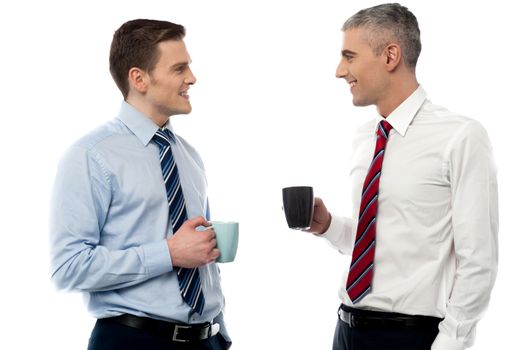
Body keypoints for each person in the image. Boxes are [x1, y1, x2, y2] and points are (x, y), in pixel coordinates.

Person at [306, 3, 498, 350]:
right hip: (346, 329)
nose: (339, 71)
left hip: (410, 336)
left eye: (349, 56)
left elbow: (479, 260)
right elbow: (381, 242)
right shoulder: (365, 138)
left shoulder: (460, 136)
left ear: (390, 55)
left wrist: (450, 343)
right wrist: (329, 225)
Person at [49, 19, 231, 350]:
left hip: (207, 339)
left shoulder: (188, 156)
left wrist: (221, 333)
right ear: (139, 78)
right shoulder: (91, 156)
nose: (192, 78)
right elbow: (68, 268)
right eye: (179, 68)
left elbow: (200, 254)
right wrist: (168, 253)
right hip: (133, 341)